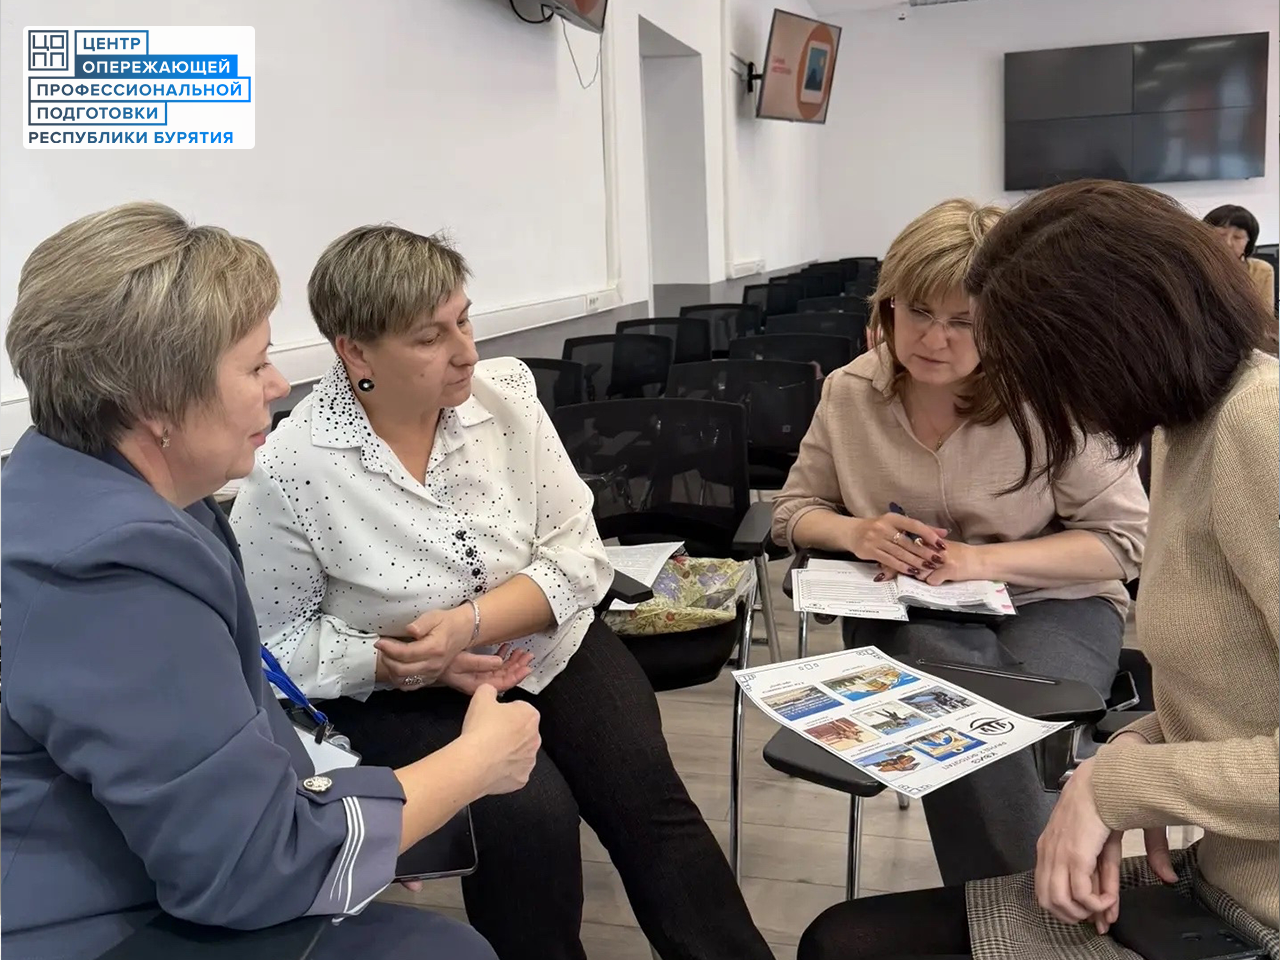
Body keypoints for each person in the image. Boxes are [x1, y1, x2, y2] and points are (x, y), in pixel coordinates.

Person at [0, 202, 541, 960]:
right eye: (254, 366)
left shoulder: (88, 492)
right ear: (156, 402)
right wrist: (472, 765)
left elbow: (224, 735)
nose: (280, 384)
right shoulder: (114, 570)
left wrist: (366, 811)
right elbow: (253, 867)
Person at [229, 224, 774, 960]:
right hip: (405, 691)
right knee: (528, 821)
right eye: (430, 338)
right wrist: (393, 661)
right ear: (355, 352)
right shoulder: (294, 466)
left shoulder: (505, 398)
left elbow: (580, 557)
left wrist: (468, 623)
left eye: (464, 320)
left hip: (549, 643)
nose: (466, 352)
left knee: (648, 803)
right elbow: (272, 646)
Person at [798, 180, 1279, 960]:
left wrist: (1114, 786)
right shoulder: (1191, 427)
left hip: (1260, 917)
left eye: (1024, 353)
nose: (1030, 387)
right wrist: (1132, 752)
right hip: (1222, 877)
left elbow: (1121, 549)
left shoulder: (1261, 426)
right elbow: (1243, 691)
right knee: (840, 938)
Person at [771, 198, 1148, 886]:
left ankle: (1007, 908)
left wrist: (979, 561)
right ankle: (1038, 904)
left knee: (997, 719)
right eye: (917, 311)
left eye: (964, 323)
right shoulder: (849, 393)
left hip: (1053, 602)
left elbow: (1123, 542)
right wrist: (857, 532)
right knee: (961, 698)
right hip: (907, 608)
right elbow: (793, 512)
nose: (933, 339)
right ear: (887, 306)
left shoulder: (1056, 396)